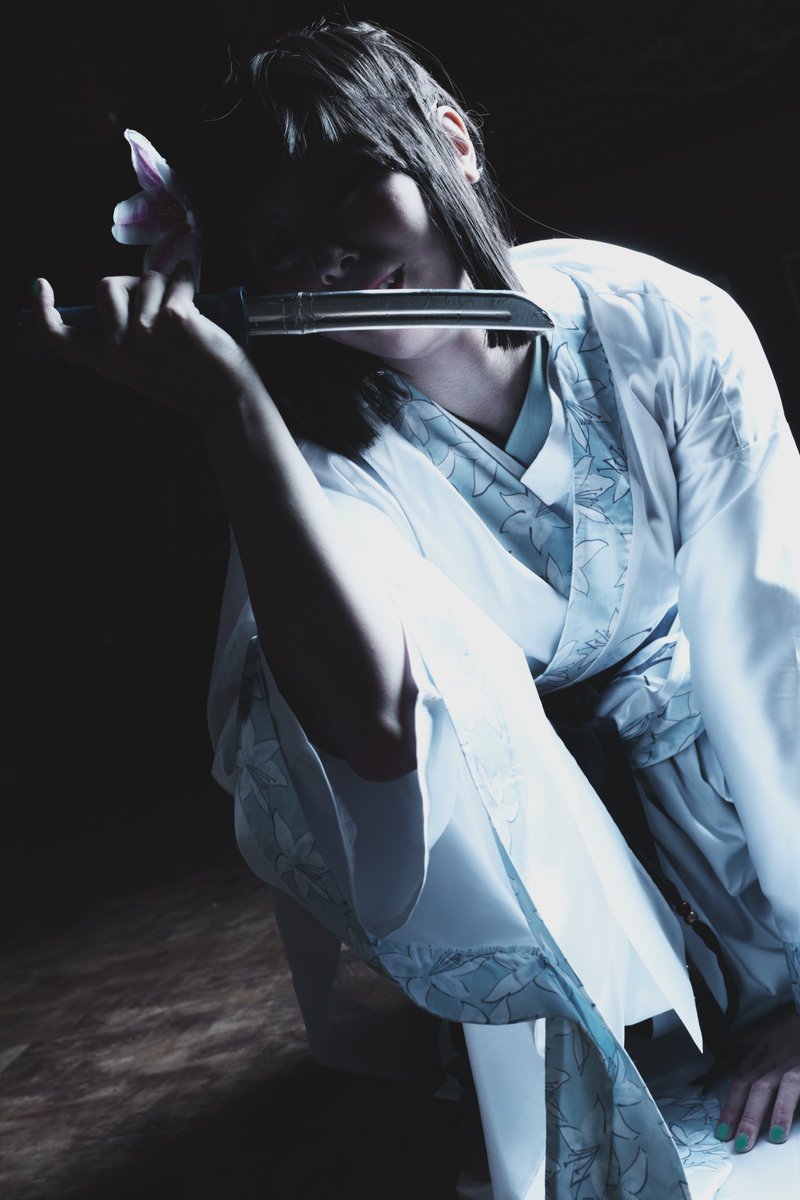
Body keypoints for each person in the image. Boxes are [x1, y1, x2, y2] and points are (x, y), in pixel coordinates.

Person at [33, 16, 800, 1199]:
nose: (327, 256)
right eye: (278, 240)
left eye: (349, 187)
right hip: (530, 821)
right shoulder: (323, 462)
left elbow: (767, 646)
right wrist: (234, 413)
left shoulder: (661, 324)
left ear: (450, 141)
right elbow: (380, 736)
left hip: (735, 769)